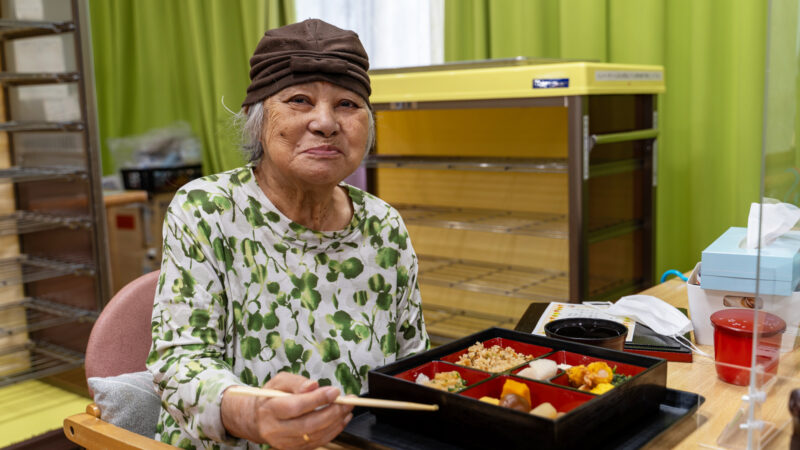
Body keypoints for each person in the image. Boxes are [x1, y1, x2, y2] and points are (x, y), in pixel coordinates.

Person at [147, 18, 429, 449]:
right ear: (256, 120)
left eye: (348, 104)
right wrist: (249, 413)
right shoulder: (206, 208)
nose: (326, 122)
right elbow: (179, 361)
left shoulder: (383, 224)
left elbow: (413, 362)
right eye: (299, 100)